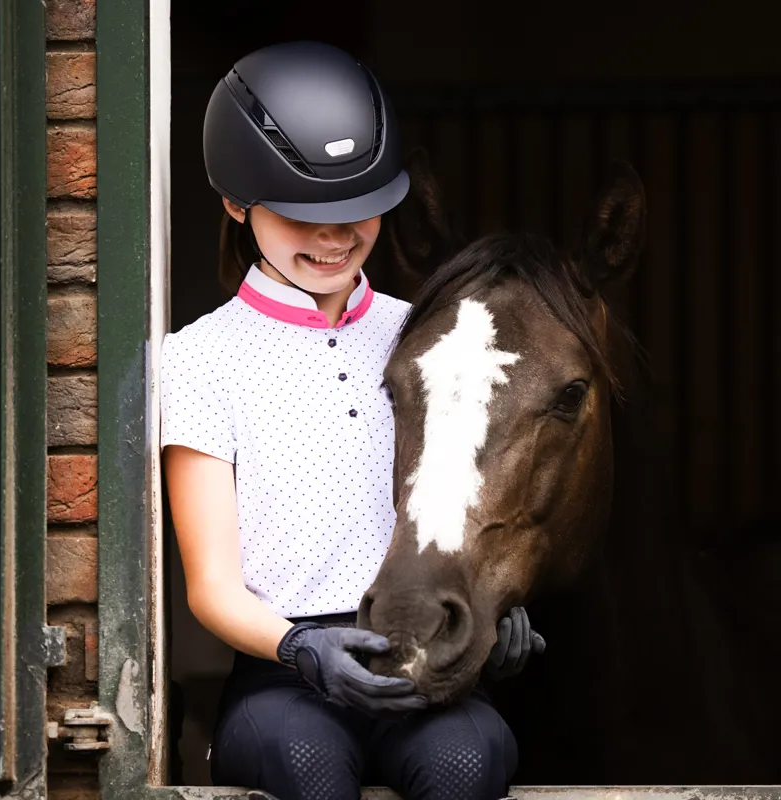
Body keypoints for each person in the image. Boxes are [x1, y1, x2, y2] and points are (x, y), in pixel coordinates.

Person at [160, 41, 545, 800]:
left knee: (465, 765)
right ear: (237, 202)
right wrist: (303, 649)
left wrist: (500, 606)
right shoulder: (200, 356)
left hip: (427, 659)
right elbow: (210, 584)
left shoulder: (431, 335)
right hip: (285, 672)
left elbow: (481, 498)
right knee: (309, 768)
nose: (336, 237)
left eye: (358, 211)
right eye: (305, 216)